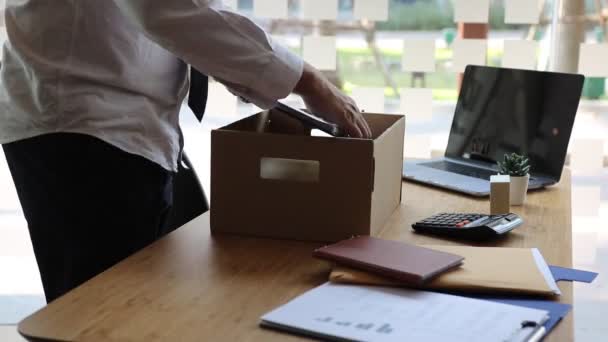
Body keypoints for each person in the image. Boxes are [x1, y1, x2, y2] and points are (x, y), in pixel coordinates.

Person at [0, 0, 372, 303]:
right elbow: (164, 8)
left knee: (135, 304)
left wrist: (251, 72)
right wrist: (307, 81)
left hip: (107, 119)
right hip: (87, 126)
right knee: (102, 316)